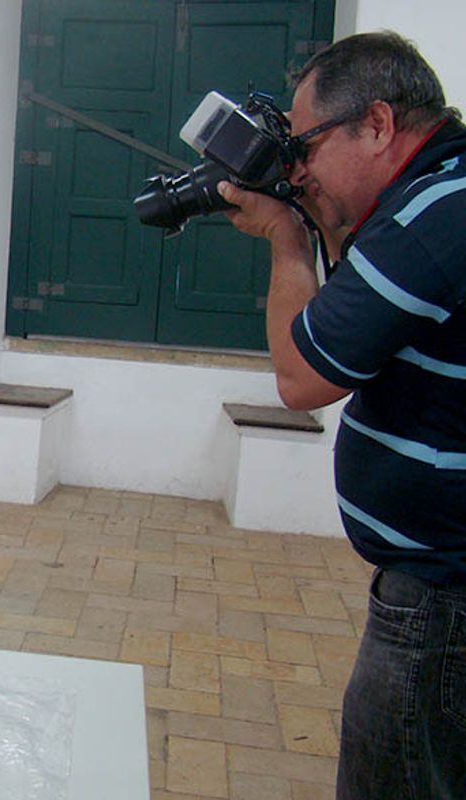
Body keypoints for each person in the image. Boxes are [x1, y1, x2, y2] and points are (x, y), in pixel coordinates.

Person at [218, 31, 466, 799]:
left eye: (308, 146)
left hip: (441, 601)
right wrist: (324, 217)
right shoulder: (436, 195)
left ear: (380, 124)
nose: (299, 169)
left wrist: (286, 240)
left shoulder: (434, 218)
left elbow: (302, 378)